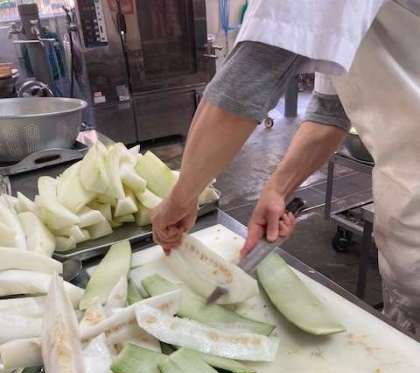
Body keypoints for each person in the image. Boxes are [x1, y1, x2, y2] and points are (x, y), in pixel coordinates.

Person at [151, 1, 420, 335]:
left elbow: (247, 81)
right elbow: (330, 113)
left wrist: (181, 198)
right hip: (406, 224)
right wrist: (277, 190)